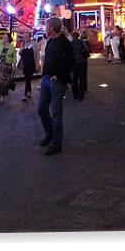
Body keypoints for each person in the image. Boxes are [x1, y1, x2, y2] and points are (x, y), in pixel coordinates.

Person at [37, 17, 75, 155]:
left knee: (56, 113)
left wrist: (59, 76)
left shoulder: (65, 43)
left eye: (46, 26)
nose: (45, 29)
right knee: (41, 109)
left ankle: (56, 143)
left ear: (52, 28)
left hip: (57, 81)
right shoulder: (50, 41)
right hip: (46, 78)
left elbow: (71, 62)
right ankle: (50, 134)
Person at [0, 32, 17, 102]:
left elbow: (14, 57)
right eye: (3, 37)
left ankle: (3, 95)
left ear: (8, 39)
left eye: (5, 37)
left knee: (5, 82)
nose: (3, 38)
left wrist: (14, 65)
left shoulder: (12, 47)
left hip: (7, 66)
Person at [18, 31, 40, 101]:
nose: (25, 38)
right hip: (24, 64)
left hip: (31, 63)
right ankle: (30, 92)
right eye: (24, 36)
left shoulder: (34, 43)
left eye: (27, 36)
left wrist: (37, 64)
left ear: (30, 37)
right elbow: (20, 53)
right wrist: (21, 49)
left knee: (28, 78)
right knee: (27, 79)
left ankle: (25, 95)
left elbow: (37, 54)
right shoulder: (23, 44)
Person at [71, 30, 90, 100]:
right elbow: (86, 51)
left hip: (74, 62)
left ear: (73, 37)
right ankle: (81, 95)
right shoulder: (81, 42)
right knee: (81, 77)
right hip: (82, 61)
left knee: (74, 78)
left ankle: (75, 94)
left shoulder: (70, 44)